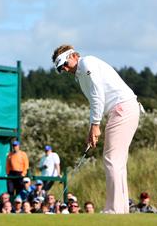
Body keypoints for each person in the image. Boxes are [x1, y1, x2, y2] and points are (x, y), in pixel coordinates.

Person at [52, 45, 141, 214]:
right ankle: (121, 209)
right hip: (124, 109)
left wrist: (95, 125)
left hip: (122, 109)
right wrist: (92, 129)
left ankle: (114, 209)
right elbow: (95, 101)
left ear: (73, 56)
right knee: (118, 162)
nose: (64, 69)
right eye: (60, 68)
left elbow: (97, 95)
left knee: (112, 160)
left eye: (64, 64)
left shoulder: (87, 63)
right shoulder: (81, 73)